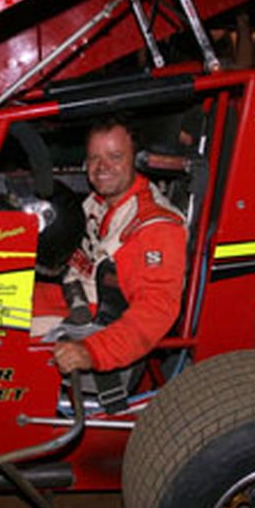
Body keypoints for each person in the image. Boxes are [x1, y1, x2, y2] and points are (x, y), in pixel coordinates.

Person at [47, 118, 187, 374]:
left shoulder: (154, 227)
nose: (102, 167)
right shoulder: (98, 202)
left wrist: (93, 352)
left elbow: (154, 312)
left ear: (136, 160)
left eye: (114, 156)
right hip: (70, 301)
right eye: (94, 158)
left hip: (92, 329)